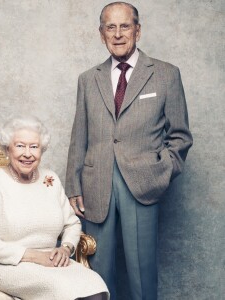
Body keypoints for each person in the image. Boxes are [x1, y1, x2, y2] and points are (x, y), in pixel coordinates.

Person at [66, 2, 193, 300]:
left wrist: (159, 173)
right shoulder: (88, 79)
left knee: (141, 275)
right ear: (101, 34)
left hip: (142, 183)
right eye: (111, 27)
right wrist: (73, 184)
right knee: (96, 275)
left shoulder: (165, 74)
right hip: (95, 185)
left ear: (138, 30)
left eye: (125, 26)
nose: (118, 34)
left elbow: (180, 137)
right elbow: (78, 136)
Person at [0, 116, 109, 300]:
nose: (28, 154)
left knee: (96, 287)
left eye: (34, 146)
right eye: (20, 145)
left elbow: (71, 224)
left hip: (52, 260)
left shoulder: (51, 180)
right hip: (5, 265)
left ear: (42, 150)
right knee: (62, 290)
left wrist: (66, 248)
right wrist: (35, 257)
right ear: (8, 148)